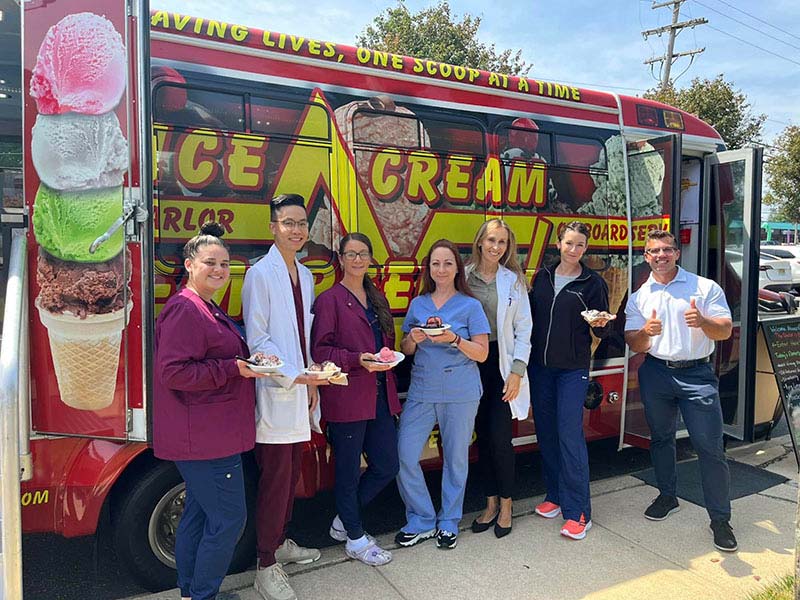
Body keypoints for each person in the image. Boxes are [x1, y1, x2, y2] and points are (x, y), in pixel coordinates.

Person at [153, 221, 263, 600]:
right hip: (205, 440)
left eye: (224, 263)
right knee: (230, 520)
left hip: (207, 435)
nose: (219, 270)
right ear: (189, 264)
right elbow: (173, 372)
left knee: (199, 516)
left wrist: (244, 360)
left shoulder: (203, 306)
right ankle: (203, 595)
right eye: (210, 262)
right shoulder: (187, 309)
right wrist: (233, 368)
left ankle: (192, 592)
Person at [624, 229, 736, 552]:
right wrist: (646, 332)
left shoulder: (703, 287)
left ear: (676, 253)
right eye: (653, 251)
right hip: (656, 372)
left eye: (666, 250)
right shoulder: (640, 296)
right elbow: (634, 342)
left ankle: (720, 520)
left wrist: (702, 321)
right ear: (645, 257)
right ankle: (667, 496)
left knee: (709, 446)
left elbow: (725, 329)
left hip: (697, 374)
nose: (660, 256)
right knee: (661, 438)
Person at [242, 194, 325, 600]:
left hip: (301, 390)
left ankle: (281, 542)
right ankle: (265, 565)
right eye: (287, 222)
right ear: (273, 227)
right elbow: (258, 341)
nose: (296, 229)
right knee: (275, 480)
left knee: (292, 476)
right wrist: (296, 377)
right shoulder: (259, 274)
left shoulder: (306, 276)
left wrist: (311, 383)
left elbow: (303, 339)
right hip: (275, 392)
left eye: (301, 223)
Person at [311, 233, 402, 565]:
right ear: (341, 258)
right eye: (351, 254)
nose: (358, 260)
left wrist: (384, 356)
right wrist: (356, 358)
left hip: (379, 395)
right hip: (347, 396)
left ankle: (343, 522)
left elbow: (385, 342)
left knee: (388, 464)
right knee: (347, 473)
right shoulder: (330, 300)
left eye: (363, 254)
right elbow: (320, 350)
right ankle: (355, 537)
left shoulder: (375, 297)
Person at [395, 239, 490, 550]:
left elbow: (482, 353)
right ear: (429, 268)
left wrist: (454, 339)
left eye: (448, 263)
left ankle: (448, 521)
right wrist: (413, 337)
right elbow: (405, 349)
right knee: (404, 454)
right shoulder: (418, 304)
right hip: (423, 390)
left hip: (461, 392)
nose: (441, 269)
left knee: (455, 460)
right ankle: (421, 519)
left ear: (457, 268)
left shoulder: (470, 305)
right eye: (436, 263)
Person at [528, 221, 612, 540]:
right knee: (547, 434)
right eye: (569, 243)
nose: (573, 250)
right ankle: (556, 496)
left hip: (572, 370)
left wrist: (602, 324)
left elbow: (602, 329)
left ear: (585, 249)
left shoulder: (592, 283)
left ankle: (579, 512)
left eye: (580, 245)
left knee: (569, 435)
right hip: (541, 368)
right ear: (559, 243)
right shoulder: (544, 276)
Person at [465, 219, 532, 538]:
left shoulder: (513, 281)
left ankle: (507, 505)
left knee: (500, 439)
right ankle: (489, 503)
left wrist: (517, 372)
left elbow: (524, 329)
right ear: (480, 241)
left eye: (502, 242)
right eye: (491, 240)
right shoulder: (463, 276)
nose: (495, 247)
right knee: (481, 438)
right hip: (470, 365)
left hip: (502, 367)